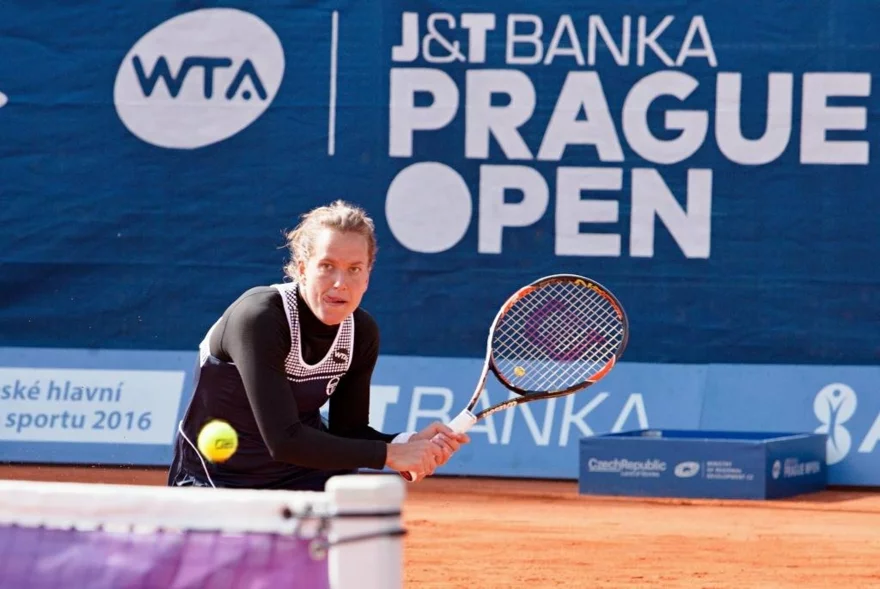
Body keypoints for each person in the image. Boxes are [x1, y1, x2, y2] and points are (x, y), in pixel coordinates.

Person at [167, 200, 469, 491]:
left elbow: (348, 433)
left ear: (367, 277)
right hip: (217, 479)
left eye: (354, 269)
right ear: (301, 269)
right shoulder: (259, 318)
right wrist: (388, 454)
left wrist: (405, 443)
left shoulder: (361, 332)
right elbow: (284, 441)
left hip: (305, 476)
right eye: (327, 266)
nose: (340, 283)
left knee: (361, 530)